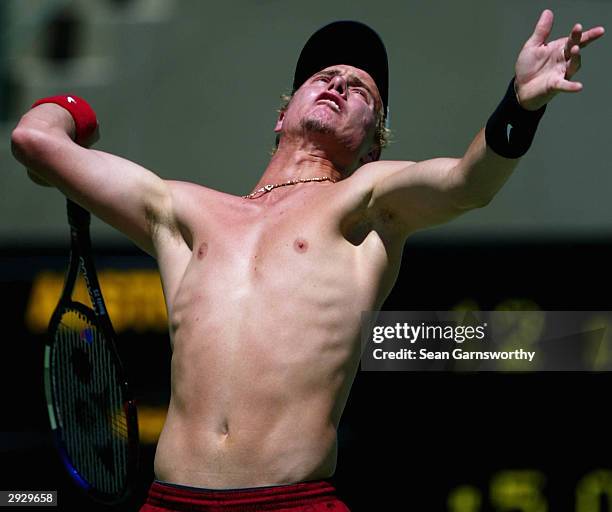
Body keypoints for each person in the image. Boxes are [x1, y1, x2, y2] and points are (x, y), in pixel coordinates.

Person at [11, 11, 604, 512]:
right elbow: (36, 141)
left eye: (361, 90)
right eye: (324, 76)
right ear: (282, 112)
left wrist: (520, 106)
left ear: (374, 142)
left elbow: (466, 183)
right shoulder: (182, 210)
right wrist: (71, 107)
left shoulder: (368, 203)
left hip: (294, 502)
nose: (339, 84)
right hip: (169, 501)